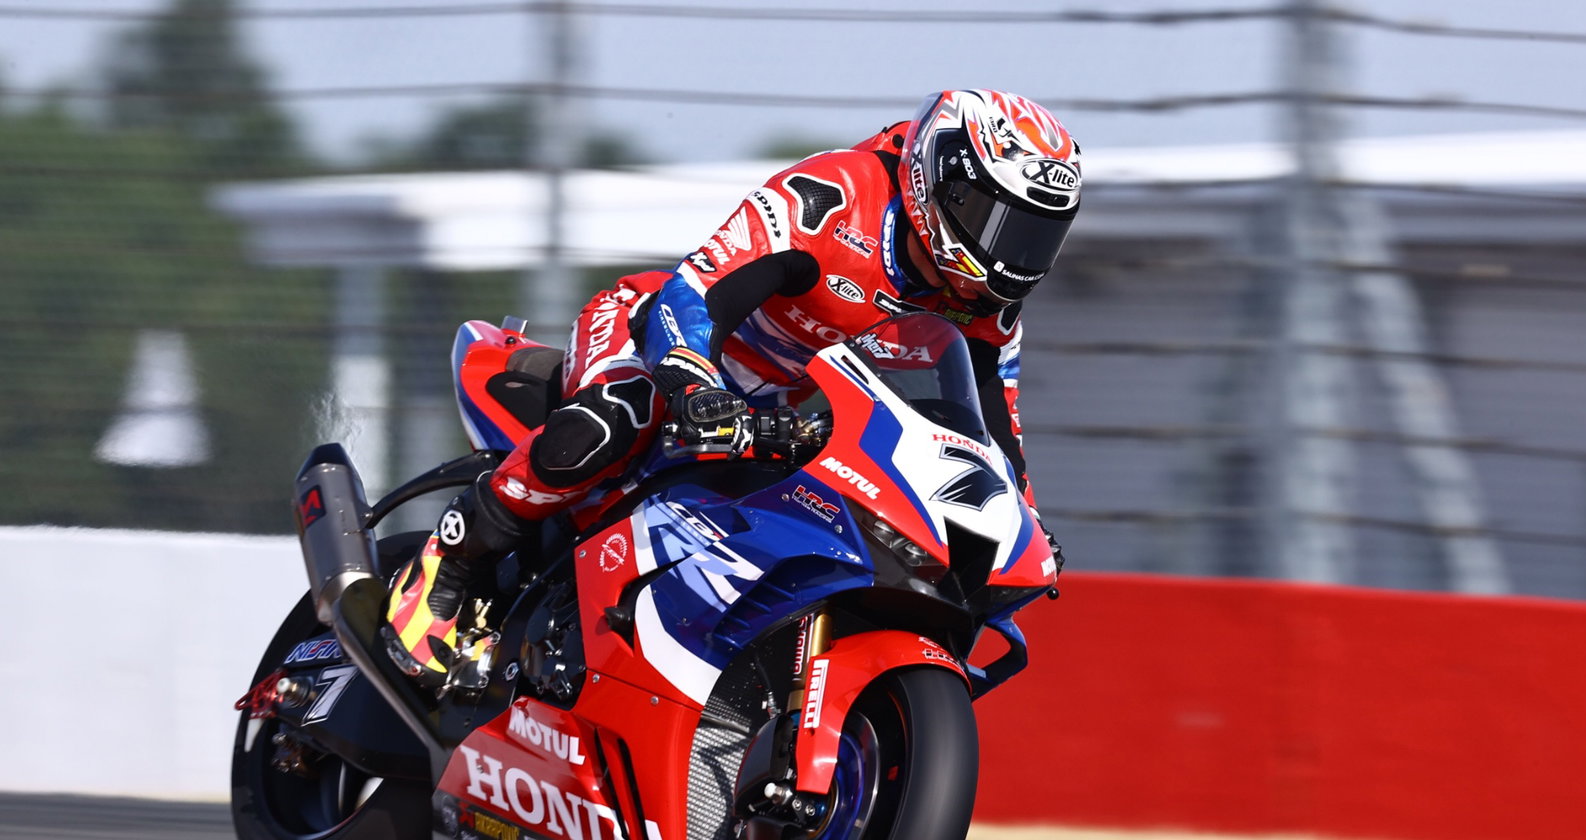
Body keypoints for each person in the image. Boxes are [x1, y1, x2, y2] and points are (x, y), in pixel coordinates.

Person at [383, 88, 1083, 685]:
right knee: (626, 410)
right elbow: (697, 290)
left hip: (772, 414)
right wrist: (691, 383)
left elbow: (992, 425)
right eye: (1002, 224)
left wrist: (1019, 514)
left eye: (1033, 237)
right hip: (655, 336)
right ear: (943, 182)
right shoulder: (836, 199)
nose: (1012, 257)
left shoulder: (984, 301)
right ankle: (452, 561)